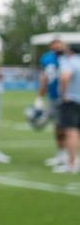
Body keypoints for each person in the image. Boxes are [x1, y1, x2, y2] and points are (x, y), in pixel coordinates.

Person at [39, 37, 68, 166]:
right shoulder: (46, 58)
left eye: (59, 45)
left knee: (68, 127)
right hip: (53, 96)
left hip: (68, 97)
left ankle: (69, 155)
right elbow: (44, 75)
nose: (56, 47)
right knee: (57, 127)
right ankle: (61, 154)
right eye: (54, 45)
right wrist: (41, 92)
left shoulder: (69, 57)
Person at [54, 44, 80, 174]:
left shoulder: (71, 62)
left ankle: (71, 163)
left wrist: (64, 95)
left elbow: (65, 77)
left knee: (71, 132)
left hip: (72, 101)